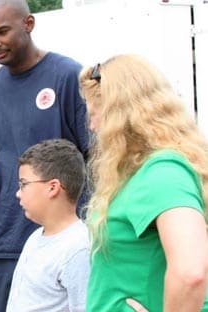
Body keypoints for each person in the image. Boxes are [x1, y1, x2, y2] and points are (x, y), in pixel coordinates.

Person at [0, 0, 89, 310]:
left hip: (61, 243)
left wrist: (94, 223)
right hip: (4, 244)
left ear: (29, 24)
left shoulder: (67, 77)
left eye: (2, 32)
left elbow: (96, 156)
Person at [79, 54, 208, 311]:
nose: (92, 126)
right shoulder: (144, 172)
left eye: (95, 114)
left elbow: (191, 271)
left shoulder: (163, 172)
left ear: (120, 115)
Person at [6, 139, 90, 311]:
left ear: (53, 188)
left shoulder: (79, 249)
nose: (18, 193)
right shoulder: (36, 237)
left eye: (23, 184)